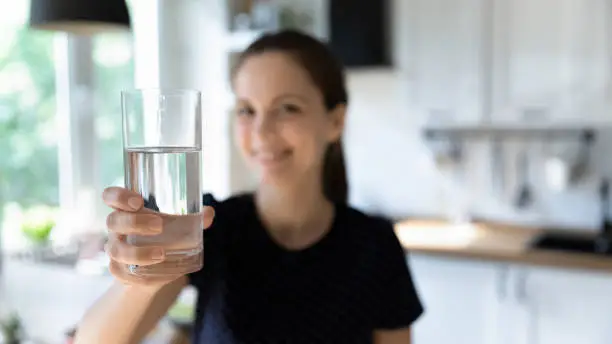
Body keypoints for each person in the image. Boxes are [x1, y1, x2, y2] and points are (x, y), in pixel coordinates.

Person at [74, 29, 424, 344]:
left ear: (335, 121)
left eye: (287, 108)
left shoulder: (375, 246)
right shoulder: (209, 228)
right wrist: (138, 282)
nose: (260, 133)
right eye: (246, 110)